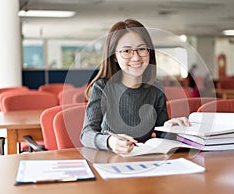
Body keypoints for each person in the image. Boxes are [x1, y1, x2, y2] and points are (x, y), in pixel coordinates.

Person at [80, 19, 189, 154]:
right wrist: (110, 142)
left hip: (145, 160)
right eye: (126, 51)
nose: (136, 58)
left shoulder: (156, 89)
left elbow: (162, 137)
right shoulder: (102, 87)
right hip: (109, 160)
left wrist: (171, 129)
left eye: (141, 49)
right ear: (114, 56)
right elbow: (86, 134)